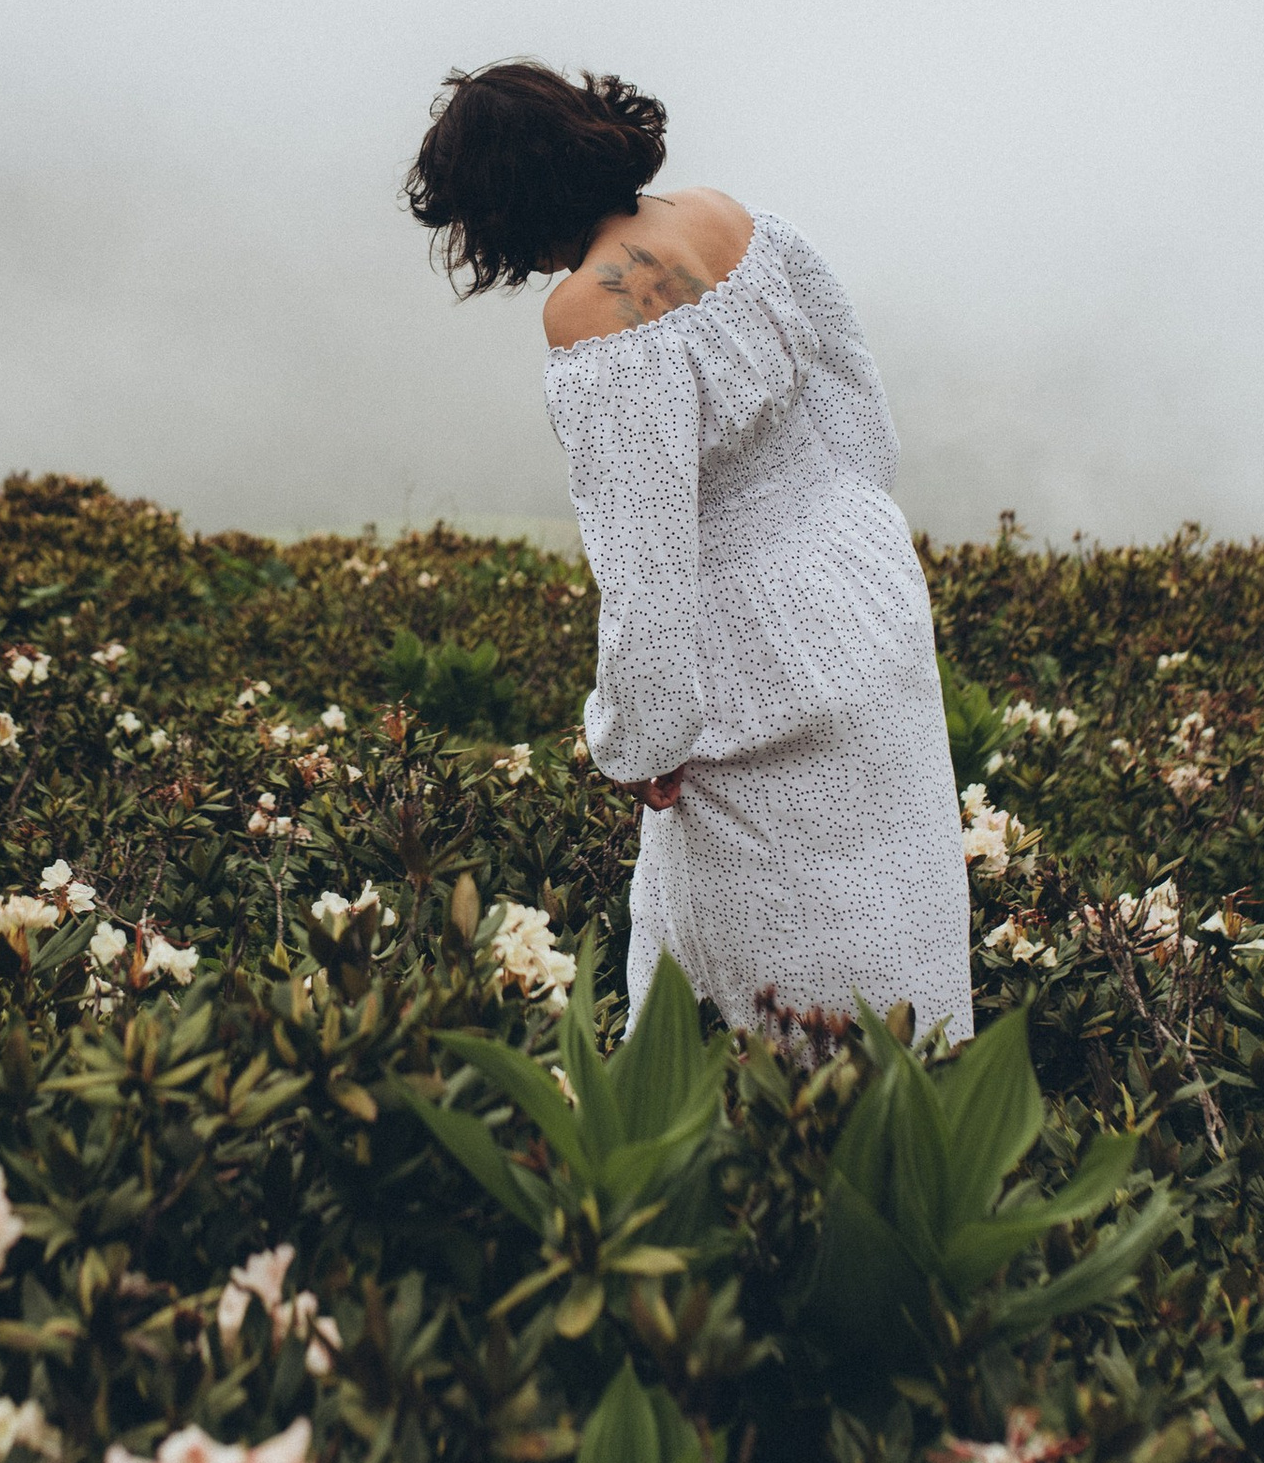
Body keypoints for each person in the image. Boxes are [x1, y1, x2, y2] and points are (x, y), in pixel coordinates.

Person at [403, 58, 971, 1043]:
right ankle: (929, 1095)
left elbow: (646, 558)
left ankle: (798, 1122)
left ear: (502, 201)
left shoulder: (590, 310)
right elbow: (850, 387)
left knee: (771, 947)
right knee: (896, 883)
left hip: (757, 651)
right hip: (861, 581)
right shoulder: (724, 216)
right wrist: (848, 533)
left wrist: (643, 738)